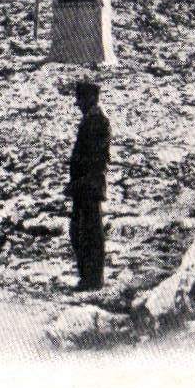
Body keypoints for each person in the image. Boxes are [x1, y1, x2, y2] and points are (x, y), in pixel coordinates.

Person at [67, 80, 111, 290]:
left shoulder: (96, 122)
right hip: (85, 185)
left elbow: (94, 159)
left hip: (88, 186)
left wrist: (81, 181)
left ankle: (92, 279)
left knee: (88, 232)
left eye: (82, 100)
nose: (79, 104)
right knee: (82, 231)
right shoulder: (93, 120)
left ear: (91, 98)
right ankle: (89, 277)